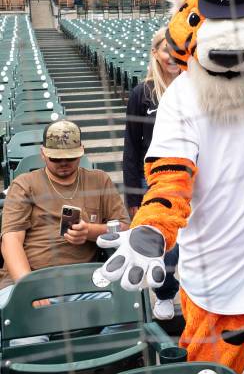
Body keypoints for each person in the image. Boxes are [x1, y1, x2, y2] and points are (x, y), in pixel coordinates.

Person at [0, 120, 129, 305]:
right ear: (43, 153)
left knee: (126, 309)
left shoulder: (99, 180)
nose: (63, 163)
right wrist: (28, 288)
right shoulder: (25, 184)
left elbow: (124, 228)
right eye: (55, 158)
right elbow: (10, 241)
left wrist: (91, 231)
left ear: (82, 151)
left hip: (84, 282)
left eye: (70, 157)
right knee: (29, 331)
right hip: (29, 278)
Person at [123, 25, 181, 321]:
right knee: (165, 243)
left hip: (195, 176)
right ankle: (166, 293)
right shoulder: (142, 93)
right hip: (155, 179)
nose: (171, 56)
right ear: (155, 53)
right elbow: (131, 147)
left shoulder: (196, 88)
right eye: (165, 49)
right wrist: (133, 193)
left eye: (175, 48)